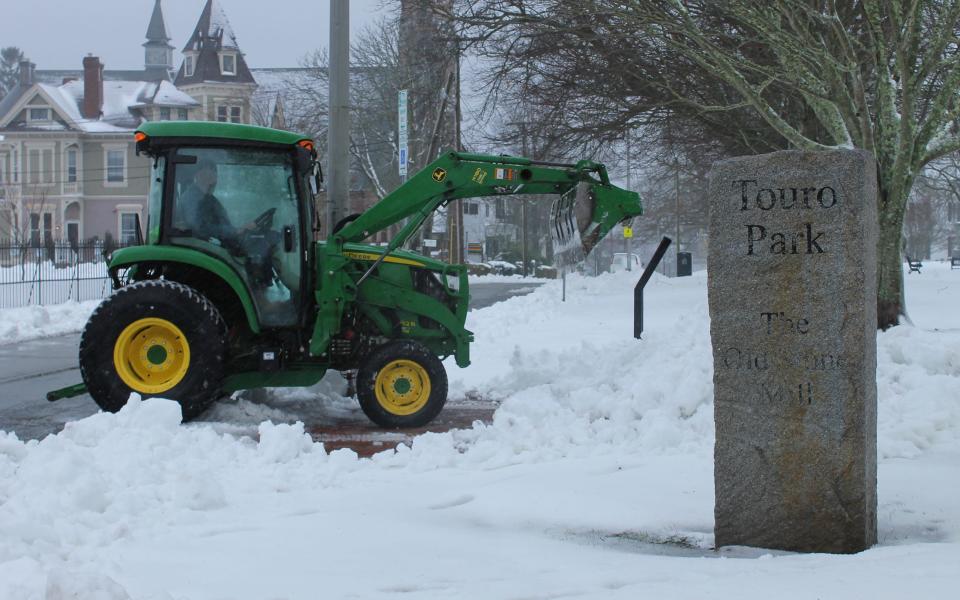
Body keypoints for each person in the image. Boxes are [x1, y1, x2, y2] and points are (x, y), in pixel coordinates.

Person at [178, 159, 236, 242]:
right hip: (199, 247)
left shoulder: (209, 199)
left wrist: (235, 231)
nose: (215, 180)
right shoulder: (191, 198)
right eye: (210, 174)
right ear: (198, 175)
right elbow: (197, 226)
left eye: (215, 174)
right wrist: (234, 231)